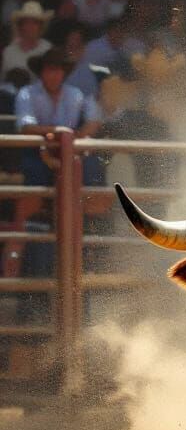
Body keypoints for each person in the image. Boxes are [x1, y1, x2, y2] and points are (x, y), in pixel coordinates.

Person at [4, 47, 104, 277]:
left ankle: (88, 216)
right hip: (37, 157)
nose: (54, 74)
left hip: (68, 156)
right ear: (42, 72)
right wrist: (61, 134)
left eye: (58, 70)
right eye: (50, 69)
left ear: (63, 73)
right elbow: (26, 128)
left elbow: (94, 121)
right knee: (36, 202)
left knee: (88, 176)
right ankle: (60, 218)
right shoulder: (27, 93)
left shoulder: (75, 94)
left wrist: (71, 137)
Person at [2, 1, 53, 77]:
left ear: (40, 27)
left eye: (35, 23)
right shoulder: (8, 52)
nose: (30, 27)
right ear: (20, 26)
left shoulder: (47, 49)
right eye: (27, 22)